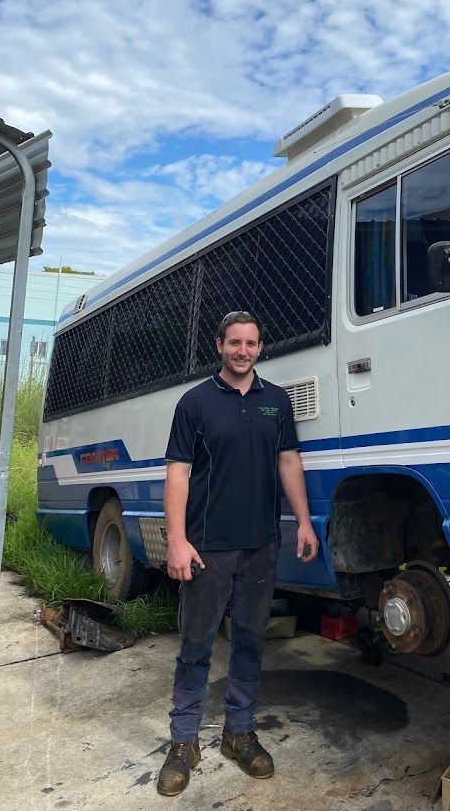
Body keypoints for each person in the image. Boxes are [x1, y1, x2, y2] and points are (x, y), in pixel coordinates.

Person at [157, 311, 319, 797]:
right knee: (196, 644)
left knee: (250, 640)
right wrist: (177, 540)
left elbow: (289, 460)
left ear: (261, 347)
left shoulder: (276, 402)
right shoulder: (195, 403)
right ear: (219, 346)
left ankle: (239, 732)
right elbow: (178, 473)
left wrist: (304, 522)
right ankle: (184, 741)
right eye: (234, 343)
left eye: (251, 343)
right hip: (208, 549)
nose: (243, 350)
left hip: (261, 545)